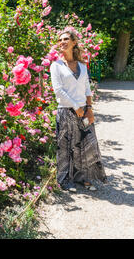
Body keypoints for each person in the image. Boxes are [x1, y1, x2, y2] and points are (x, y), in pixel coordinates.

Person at [50, 29, 107, 192]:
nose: (62, 42)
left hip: (83, 110)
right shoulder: (56, 66)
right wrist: (76, 106)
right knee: (65, 147)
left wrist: (89, 109)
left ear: (74, 42)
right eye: (60, 39)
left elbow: (87, 88)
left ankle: (83, 178)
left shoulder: (82, 65)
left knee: (86, 144)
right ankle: (64, 180)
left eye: (66, 38)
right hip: (66, 110)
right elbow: (58, 91)